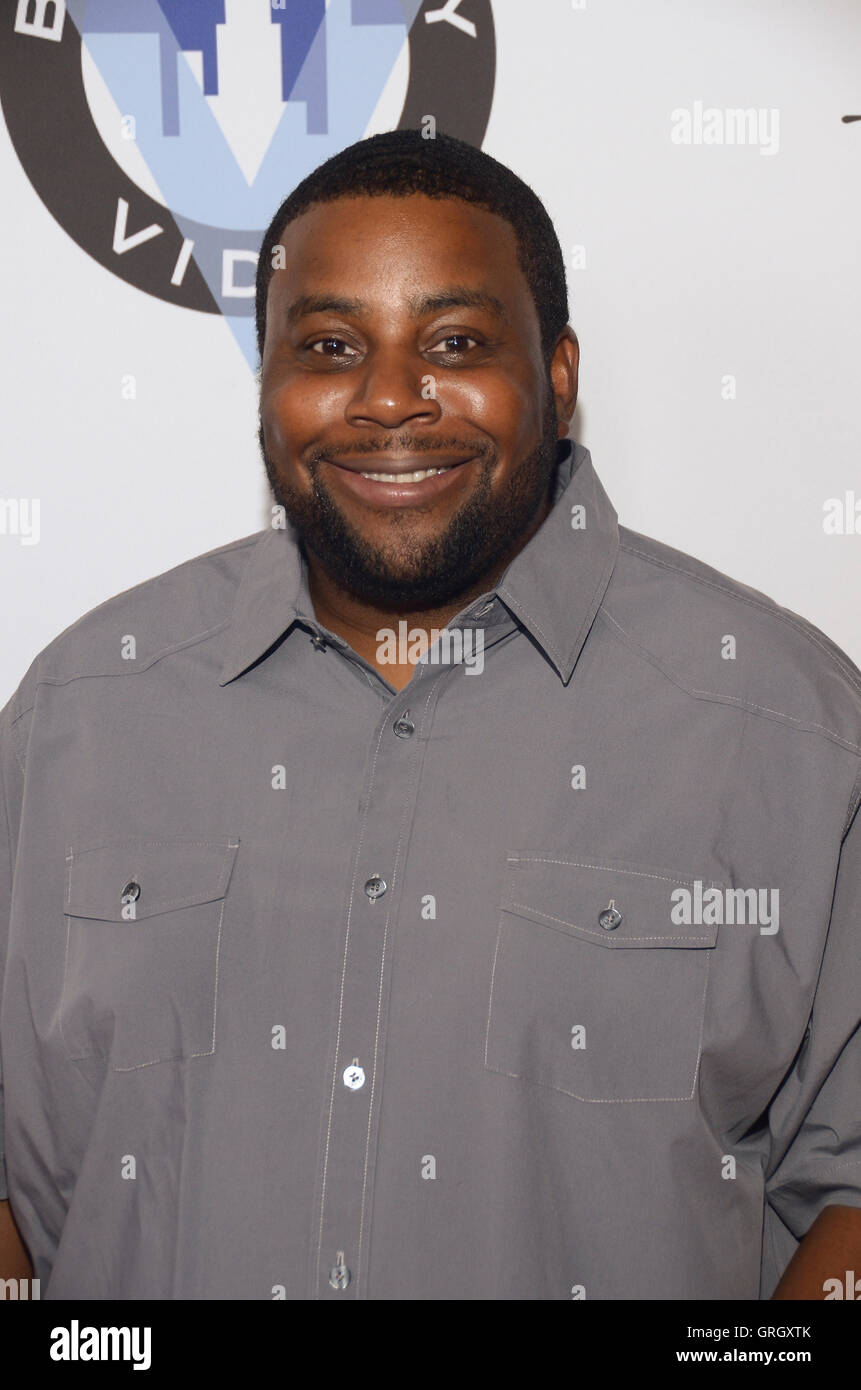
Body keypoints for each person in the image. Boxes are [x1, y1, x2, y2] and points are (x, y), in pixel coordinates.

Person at [1, 130, 859, 1301]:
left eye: (454, 341)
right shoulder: (79, 713)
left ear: (557, 377)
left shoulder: (783, 724)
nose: (391, 398)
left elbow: (847, 1197)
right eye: (331, 345)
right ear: (265, 382)